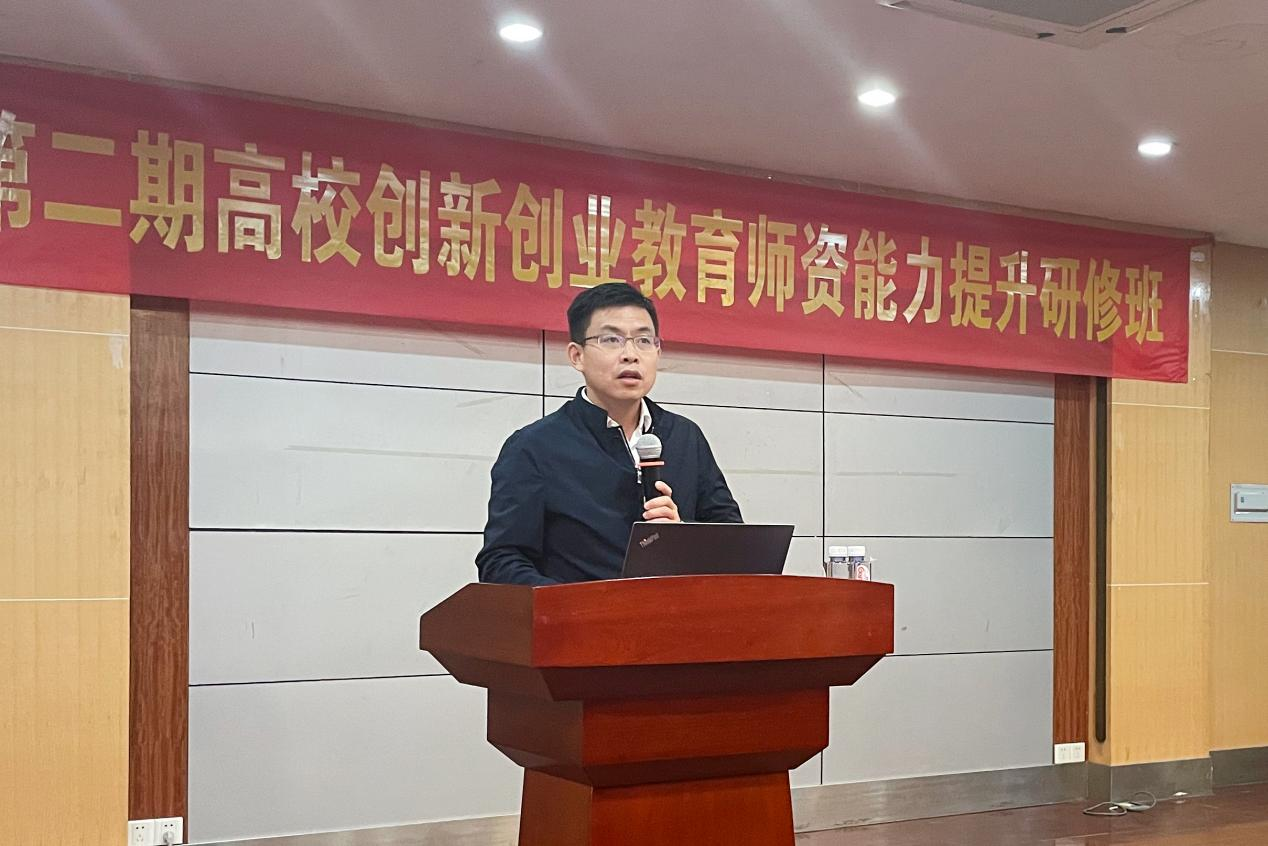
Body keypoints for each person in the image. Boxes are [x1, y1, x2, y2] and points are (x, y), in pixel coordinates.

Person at [476, 283, 742, 585]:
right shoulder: (534, 447)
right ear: (577, 356)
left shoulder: (685, 436)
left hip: (676, 611)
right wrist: (580, 605)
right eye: (611, 340)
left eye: (644, 340)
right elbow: (500, 562)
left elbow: (734, 542)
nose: (630, 355)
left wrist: (682, 534)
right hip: (580, 614)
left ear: (658, 351)